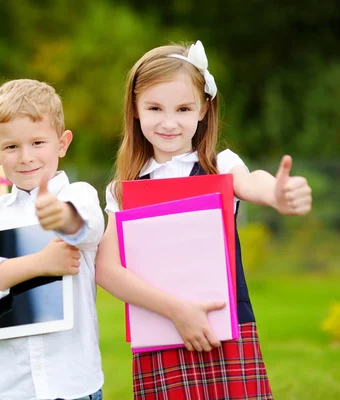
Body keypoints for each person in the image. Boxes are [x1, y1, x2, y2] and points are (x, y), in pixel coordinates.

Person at [96, 40, 312, 399]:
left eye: (182, 108)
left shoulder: (221, 165)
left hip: (228, 333)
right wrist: (176, 311)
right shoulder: (123, 190)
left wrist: (276, 193)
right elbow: (105, 270)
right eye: (154, 108)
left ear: (202, 109)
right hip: (160, 334)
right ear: (135, 109)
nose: (169, 122)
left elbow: (252, 182)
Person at [0, 79, 104, 400]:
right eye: (11, 147)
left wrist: (62, 217)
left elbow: (87, 227)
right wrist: (40, 264)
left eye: (37, 143)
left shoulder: (77, 196)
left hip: (72, 384)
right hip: (8, 388)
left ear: (61, 143)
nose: (25, 157)